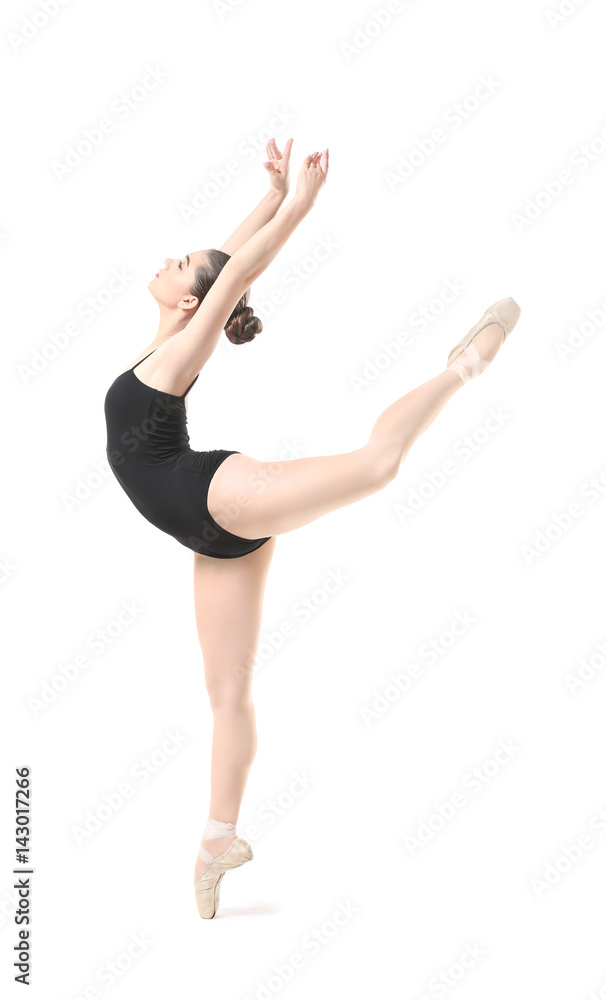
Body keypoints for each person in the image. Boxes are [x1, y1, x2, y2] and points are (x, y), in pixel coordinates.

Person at [104, 139, 521, 918]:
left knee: (375, 465)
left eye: (182, 263)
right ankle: (214, 843)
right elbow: (231, 266)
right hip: (210, 533)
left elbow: (231, 276)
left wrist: (297, 207)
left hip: (217, 495)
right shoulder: (165, 345)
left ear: (193, 304)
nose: (172, 259)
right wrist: (267, 196)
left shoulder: (180, 348)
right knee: (226, 694)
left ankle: (461, 364)